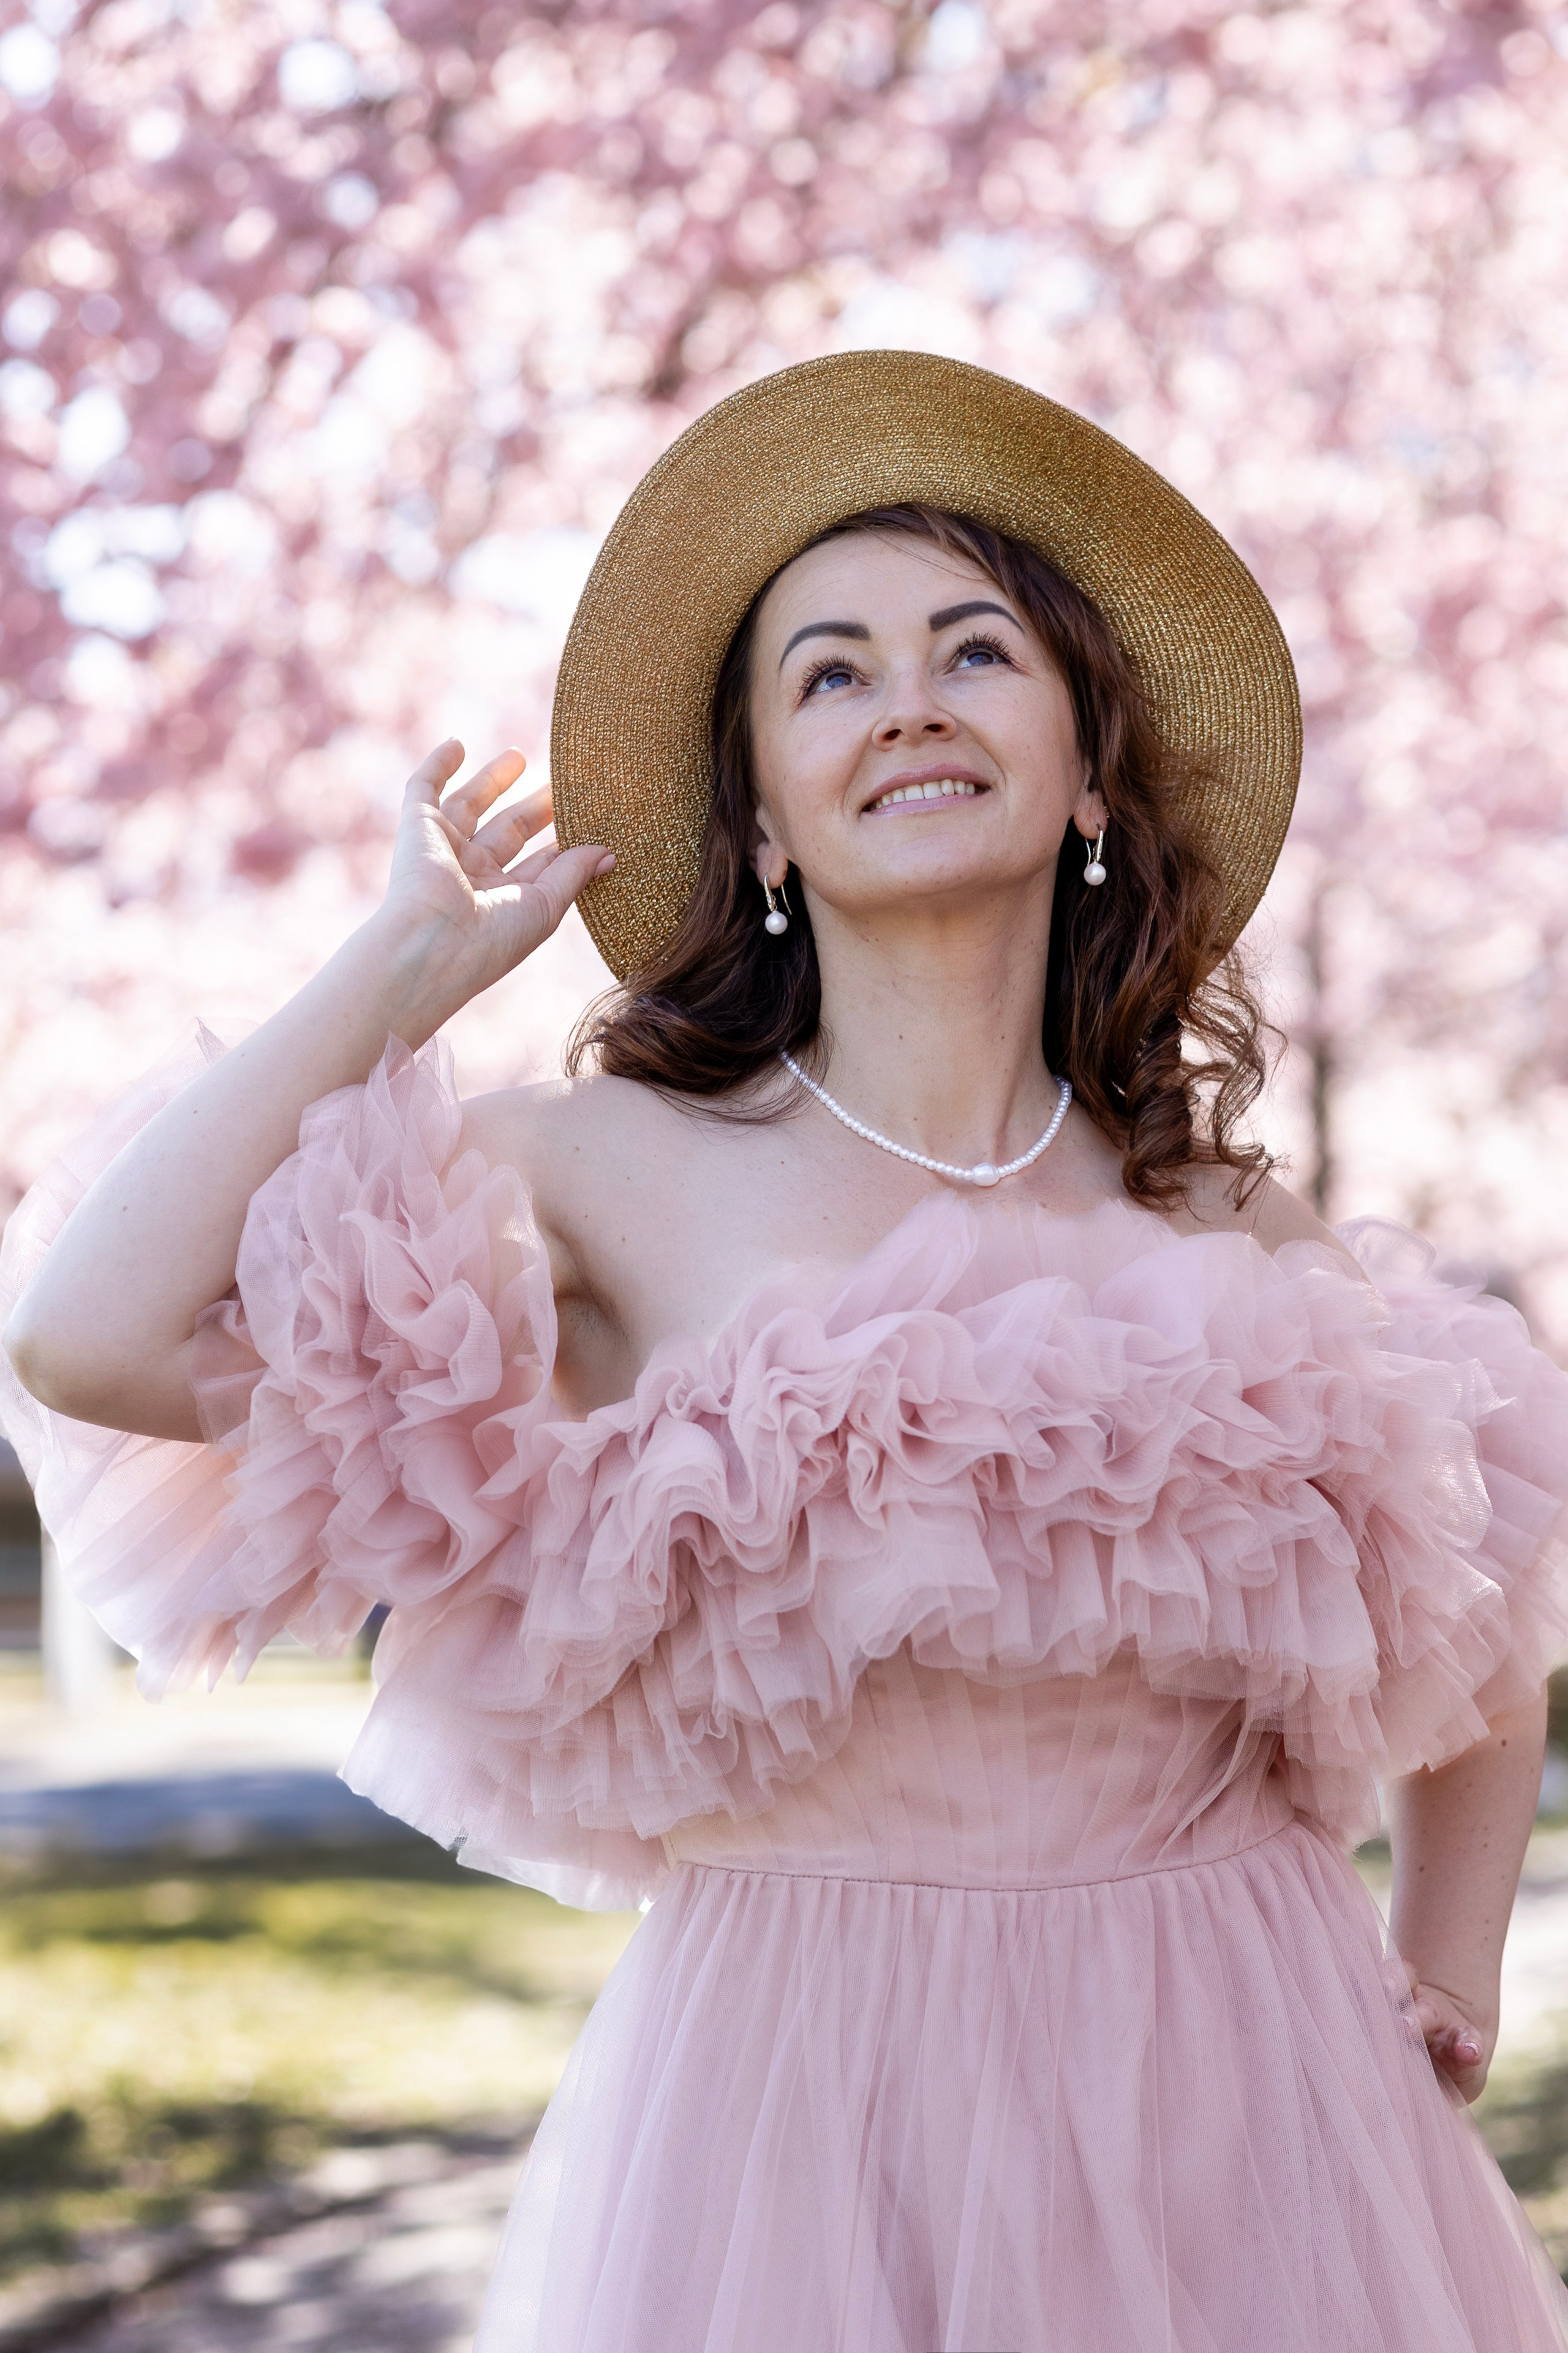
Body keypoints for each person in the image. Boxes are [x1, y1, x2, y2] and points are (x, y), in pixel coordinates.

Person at [3, 350, 1567, 2352]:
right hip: (807, 2115)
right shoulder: (600, 1177)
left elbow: (1479, 1605)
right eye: (828, 672)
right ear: (759, 819)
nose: (907, 697)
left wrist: (1449, 1957)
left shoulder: (1235, 1231)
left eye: (974, 649)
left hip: (1252, 2106)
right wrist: (383, 985)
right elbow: (87, 1334)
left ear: (1092, 771)